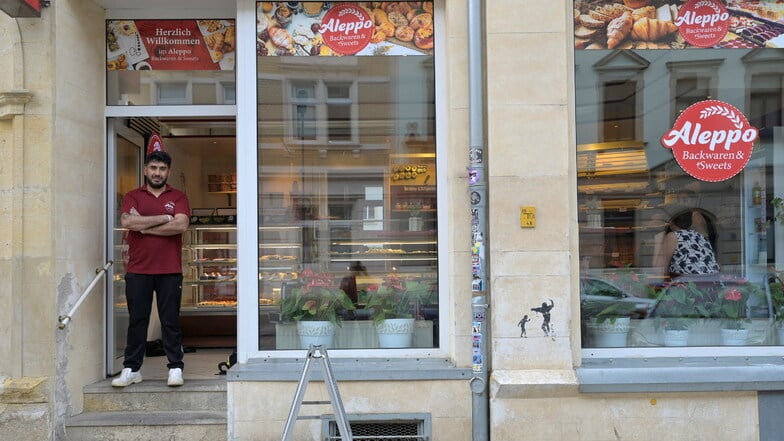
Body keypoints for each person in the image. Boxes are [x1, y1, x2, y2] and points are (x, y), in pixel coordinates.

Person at [112, 151, 190, 388]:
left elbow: (181, 225)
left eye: (162, 169)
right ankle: (131, 369)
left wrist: (144, 227)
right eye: (153, 168)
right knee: (138, 320)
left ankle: (175, 367)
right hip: (138, 269)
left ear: (168, 171)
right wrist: (165, 219)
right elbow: (127, 222)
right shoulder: (133, 195)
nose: (157, 173)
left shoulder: (178, 196)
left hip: (169, 269)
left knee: (170, 321)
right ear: (146, 170)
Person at [653, 208, 719, 278]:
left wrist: (659, 241)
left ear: (671, 223)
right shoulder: (700, 236)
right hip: (710, 283)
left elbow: (659, 269)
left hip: (689, 284)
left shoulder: (674, 236)